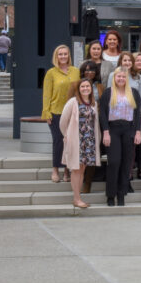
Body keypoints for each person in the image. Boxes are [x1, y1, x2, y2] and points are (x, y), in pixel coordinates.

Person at [99, 68, 141, 206]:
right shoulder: (108, 93)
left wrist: (137, 131)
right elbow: (103, 114)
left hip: (128, 129)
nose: (121, 79)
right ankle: (111, 195)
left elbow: (137, 114)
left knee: (126, 163)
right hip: (113, 129)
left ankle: (121, 194)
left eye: (124, 76)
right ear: (114, 77)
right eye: (119, 76)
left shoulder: (133, 93)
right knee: (114, 162)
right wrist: (105, 132)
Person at [59, 79, 101, 208]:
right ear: (79, 89)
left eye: (87, 86)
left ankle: (78, 197)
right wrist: (66, 135)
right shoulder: (73, 102)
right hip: (76, 140)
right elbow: (63, 121)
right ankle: (76, 198)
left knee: (82, 170)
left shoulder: (93, 103)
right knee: (76, 170)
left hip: (89, 142)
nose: (85, 88)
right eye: (82, 86)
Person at [42, 45, 80, 183]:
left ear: (69, 55)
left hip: (72, 112)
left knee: (70, 142)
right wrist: (46, 112)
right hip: (56, 111)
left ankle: (66, 171)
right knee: (58, 141)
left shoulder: (76, 71)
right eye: (60, 54)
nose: (63, 56)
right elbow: (46, 94)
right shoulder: (51, 73)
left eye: (65, 54)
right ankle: (55, 169)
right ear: (56, 56)